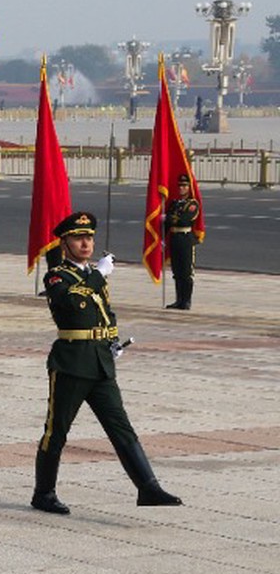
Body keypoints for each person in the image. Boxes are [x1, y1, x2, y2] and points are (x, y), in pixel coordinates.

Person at [31, 212, 182, 515]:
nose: (85, 243)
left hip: (100, 362)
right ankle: (43, 493)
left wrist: (111, 340)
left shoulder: (91, 273)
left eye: (89, 237)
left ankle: (148, 487)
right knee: (56, 431)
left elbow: (103, 312)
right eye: (78, 238)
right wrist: (98, 274)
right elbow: (73, 303)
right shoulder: (57, 274)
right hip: (72, 363)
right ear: (65, 243)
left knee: (121, 427)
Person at [166, 173, 201, 309]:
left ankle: (186, 301)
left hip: (186, 238)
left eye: (184, 186)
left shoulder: (192, 204)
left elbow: (185, 219)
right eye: (180, 186)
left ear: (189, 188)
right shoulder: (175, 203)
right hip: (175, 238)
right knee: (177, 272)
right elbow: (169, 221)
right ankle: (178, 300)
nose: (181, 188)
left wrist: (172, 218)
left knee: (186, 272)